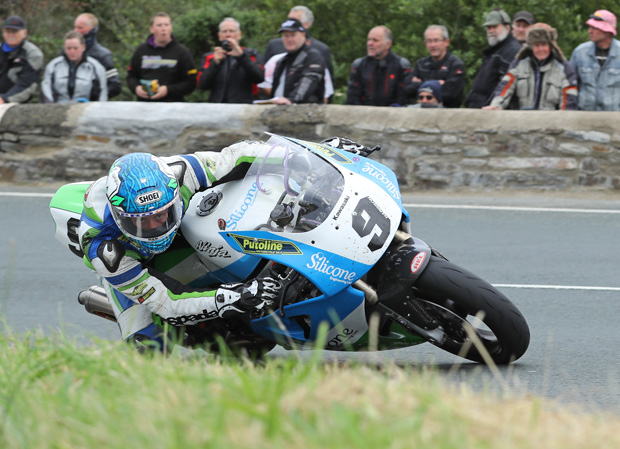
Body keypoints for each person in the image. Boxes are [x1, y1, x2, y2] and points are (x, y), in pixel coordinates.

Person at [78, 143, 283, 350]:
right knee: (148, 348)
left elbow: (237, 156)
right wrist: (235, 297)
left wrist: (296, 157)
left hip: (182, 231)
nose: (154, 228)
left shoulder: (179, 173)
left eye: (159, 215)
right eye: (140, 222)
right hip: (132, 265)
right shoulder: (102, 245)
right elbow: (167, 302)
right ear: (119, 217)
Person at [484, 23, 578, 111]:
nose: (540, 49)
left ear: (551, 46)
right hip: (522, 122)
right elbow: (504, 88)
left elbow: (569, 103)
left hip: (551, 125)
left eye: (544, 44)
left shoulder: (564, 70)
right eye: (537, 45)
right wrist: (495, 106)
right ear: (531, 47)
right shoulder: (518, 66)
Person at [127, 12, 197, 102]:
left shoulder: (182, 52)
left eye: (166, 25)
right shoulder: (141, 51)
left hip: (173, 107)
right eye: (159, 25)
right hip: (145, 108)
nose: (163, 29)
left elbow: (191, 83)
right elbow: (131, 76)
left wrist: (168, 90)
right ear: (152, 29)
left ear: (171, 27)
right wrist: (136, 88)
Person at [262, 5, 333, 89]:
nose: (289, 24)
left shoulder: (321, 49)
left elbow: (327, 85)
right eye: (288, 20)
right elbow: (264, 77)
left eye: (294, 21)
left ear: (306, 25)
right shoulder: (274, 45)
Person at [197, 18, 264, 103]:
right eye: (224, 31)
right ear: (219, 36)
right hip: (217, 107)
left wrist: (242, 56)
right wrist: (215, 64)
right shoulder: (210, 57)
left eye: (231, 31)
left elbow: (259, 77)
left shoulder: (252, 54)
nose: (228, 35)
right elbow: (202, 85)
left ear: (239, 35)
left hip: (243, 107)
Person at [464, 9, 521, 108]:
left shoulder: (511, 51)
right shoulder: (496, 50)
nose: (490, 31)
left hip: (491, 113)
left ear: (507, 28)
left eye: (494, 26)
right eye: (488, 27)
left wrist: (491, 106)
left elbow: (505, 86)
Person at [346, 25, 412, 106]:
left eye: (375, 40)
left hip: (392, 115)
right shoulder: (359, 65)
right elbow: (352, 98)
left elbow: (404, 99)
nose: (370, 43)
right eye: (369, 39)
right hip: (364, 115)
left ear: (388, 44)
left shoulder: (401, 65)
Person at [403, 25, 465, 108]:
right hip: (422, 109)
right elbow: (408, 90)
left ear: (446, 42)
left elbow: (450, 95)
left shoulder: (456, 64)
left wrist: (420, 84)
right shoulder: (421, 64)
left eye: (436, 40)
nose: (433, 45)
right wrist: (437, 84)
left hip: (447, 112)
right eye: (429, 41)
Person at [570, 10, 620, 111]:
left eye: (595, 28)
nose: (590, 31)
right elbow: (571, 83)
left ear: (607, 31)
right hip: (584, 116)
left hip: (614, 119)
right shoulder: (580, 52)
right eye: (590, 27)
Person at [270, 18, 325, 104]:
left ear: (303, 35)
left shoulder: (313, 56)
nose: (289, 39)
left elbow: (308, 81)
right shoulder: (281, 61)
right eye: (286, 35)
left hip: (306, 111)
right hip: (282, 112)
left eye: (293, 35)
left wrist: (291, 100)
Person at [41, 31, 108, 103]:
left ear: (83, 47)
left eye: (75, 48)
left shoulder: (96, 67)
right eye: (68, 48)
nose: (72, 52)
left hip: (86, 109)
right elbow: (46, 92)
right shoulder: (53, 66)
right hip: (59, 109)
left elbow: (102, 94)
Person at [74, 13, 122, 98]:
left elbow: (115, 86)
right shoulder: (68, 53)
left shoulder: (102, 55)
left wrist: (93, 97)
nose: (76, 31)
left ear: (92, 29)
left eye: (80, 28)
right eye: (75, 27)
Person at [0, 15, 43, 104]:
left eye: (15, 31)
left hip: (16, 106)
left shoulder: (33, 54)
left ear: (24, 33)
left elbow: (27, 85)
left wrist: (4, 99)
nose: (11, 34)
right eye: (8, 31)